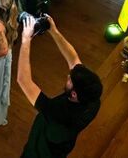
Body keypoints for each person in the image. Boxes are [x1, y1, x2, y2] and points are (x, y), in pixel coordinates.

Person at [17, 14, 102, 157]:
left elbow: (23, 80)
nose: (68, 76)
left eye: (70, 80)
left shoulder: (57, 113)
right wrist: (53, 31)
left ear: (74, 94)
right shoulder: (93, 101)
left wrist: (26, 40)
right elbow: (73, 58)